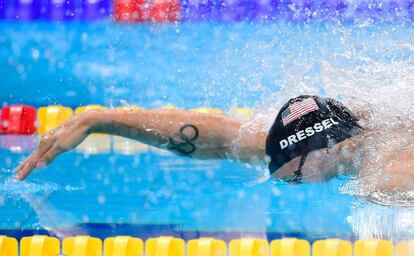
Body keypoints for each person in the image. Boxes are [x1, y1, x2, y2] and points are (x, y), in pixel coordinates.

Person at [14, 95, 412, 195]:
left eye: (292, 180)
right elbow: (219, 138)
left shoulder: (388, 175)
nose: (283, 183)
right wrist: (99, 119)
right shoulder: (316, 146)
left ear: (321, 151)